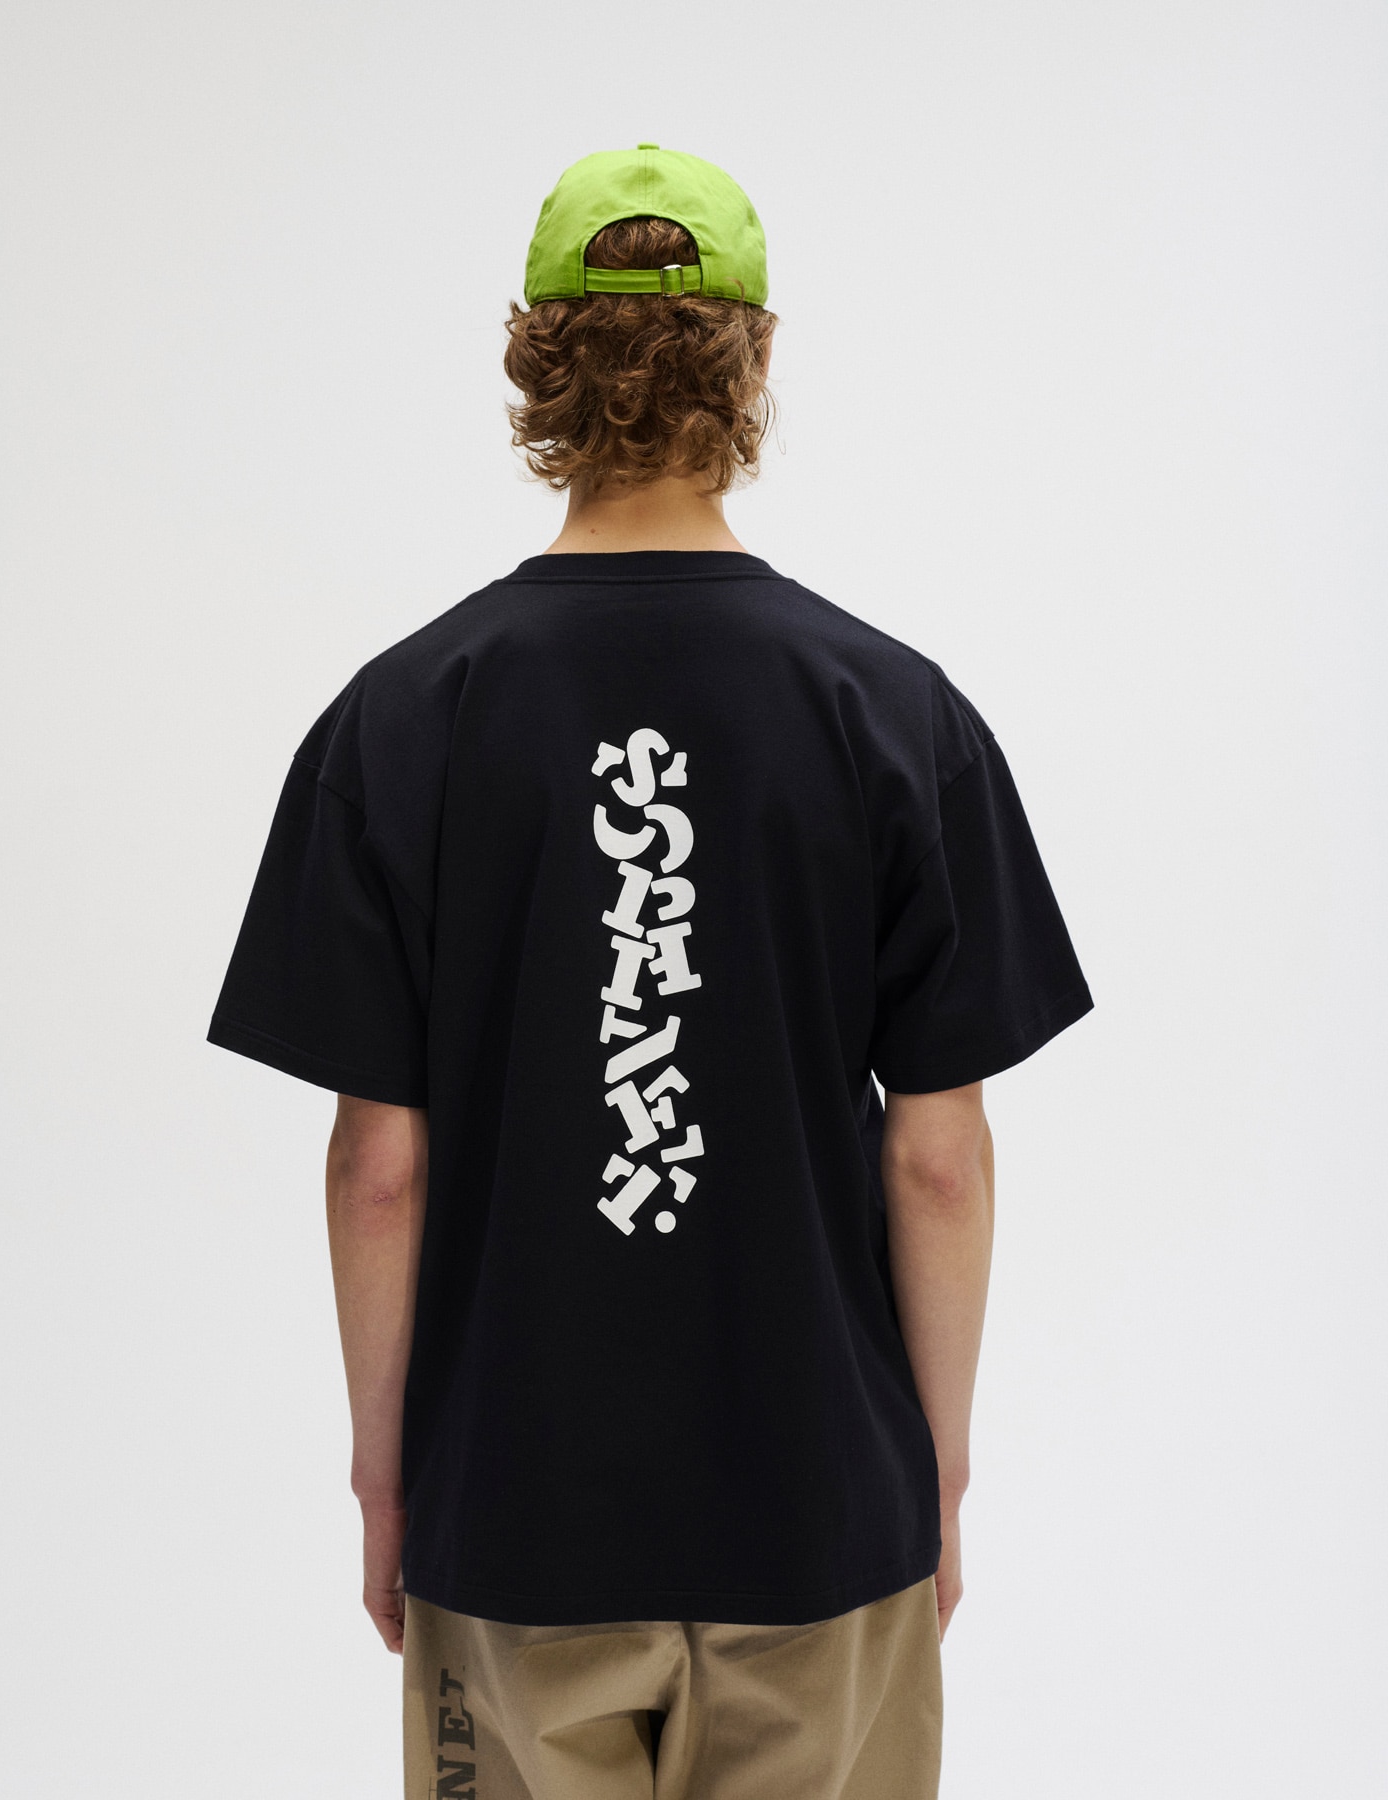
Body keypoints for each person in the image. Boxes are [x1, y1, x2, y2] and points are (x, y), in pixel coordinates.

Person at [208, 144, 1093, 1800]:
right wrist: (938, 1471)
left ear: (534, 359)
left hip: (513, 1518)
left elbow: (380, 1166)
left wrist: (386, 1481)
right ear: (754, 359)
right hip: (823, 1514)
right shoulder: (897, 717)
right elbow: (939, 1155)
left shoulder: (403, 719)